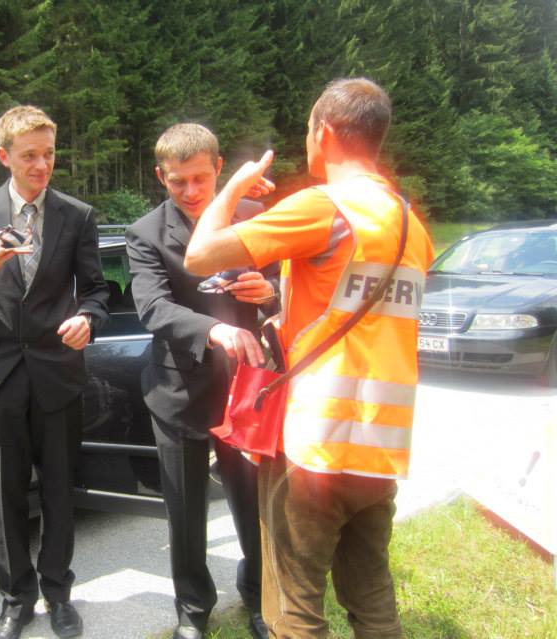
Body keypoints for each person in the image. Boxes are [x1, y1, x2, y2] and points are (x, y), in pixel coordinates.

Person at [185, 77, 433, 638]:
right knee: (372, 596)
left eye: (307, 129)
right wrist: (283, 310)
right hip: (381, 445)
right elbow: (359, 319)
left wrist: (233, 186)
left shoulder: (324, 207)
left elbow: (199, 255)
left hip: (317, 443)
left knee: (296, 610)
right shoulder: (409, 223)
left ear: (324, 131)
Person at [0, 105, 109, 639]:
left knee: (58, 494)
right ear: (3, 156)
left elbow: (97, 291)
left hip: (57, 375)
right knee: (5, 500)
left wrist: (88, 319)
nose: (41, 165)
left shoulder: (76, 215)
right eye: (29, 155)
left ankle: (59, 595)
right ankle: (15, 600)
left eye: (49, 154)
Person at [125, 123, 274, 639]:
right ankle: (192, 610)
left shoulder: (254, 218)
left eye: (199, 179)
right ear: (159, 176)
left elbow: (292, 284)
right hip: (178, 390)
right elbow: (152, 306)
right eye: (177, 181)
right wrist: (214, 330)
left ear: (218, 169)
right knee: (185, 512)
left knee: (254, 504)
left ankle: (260, 598)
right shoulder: (145, 233)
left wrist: (269, 292)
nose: (189, 192)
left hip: (247, 390)